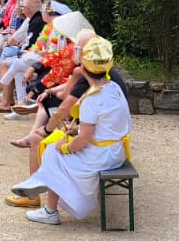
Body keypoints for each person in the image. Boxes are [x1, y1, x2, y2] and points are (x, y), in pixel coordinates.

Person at [11, 37, 130, 225]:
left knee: (52, 150)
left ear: (83, 67)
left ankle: (49, 208)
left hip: (102, 155)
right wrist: (73, 131)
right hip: (116, 150)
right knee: (56, 146)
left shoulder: (92, 98)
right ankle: (43, 180)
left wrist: (65, 147)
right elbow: (104, 124)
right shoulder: (113, 87)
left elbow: (83, 140)